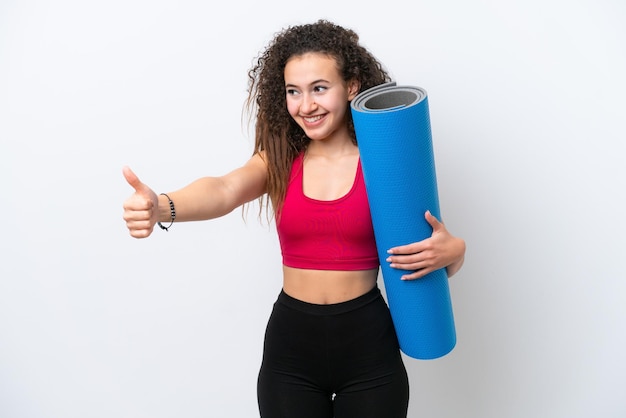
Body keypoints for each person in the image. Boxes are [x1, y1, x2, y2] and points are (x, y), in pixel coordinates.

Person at [122, 19, 465, 418]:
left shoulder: (384, 164)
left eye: (320, 88)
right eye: (293, 92)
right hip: (291, 351)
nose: (306, 106)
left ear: (351, 86)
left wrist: (456, 250)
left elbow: (427, 251)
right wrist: (162, 206)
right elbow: (224, 189)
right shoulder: (281, 160)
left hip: (369, 349)